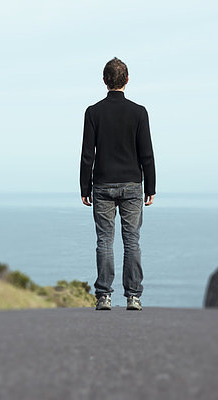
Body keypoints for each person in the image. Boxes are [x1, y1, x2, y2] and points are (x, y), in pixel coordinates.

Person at [79, 57, 156, 311]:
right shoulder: (139, 112)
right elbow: (147, 153)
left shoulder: (93, 112)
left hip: (102, 184)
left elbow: (87, 154)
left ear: (104, 80)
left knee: (104, 240)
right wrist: (151, 187)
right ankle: (133, 296)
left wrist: (84, 187)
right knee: (132, 240)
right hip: (133, 184)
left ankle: (104, 296)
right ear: (127, 80)